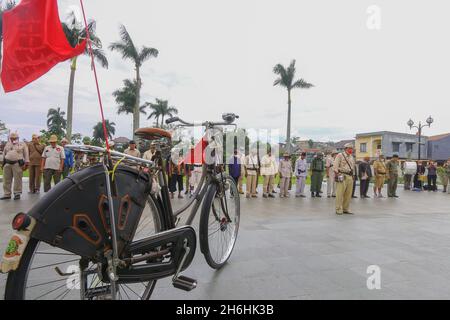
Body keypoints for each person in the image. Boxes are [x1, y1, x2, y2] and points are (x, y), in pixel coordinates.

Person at [1, 132, 29, 200]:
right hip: (7, 163)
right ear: (10, 138)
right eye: (12, 138)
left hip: (17, 164)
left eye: (14, 138)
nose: (13, 139)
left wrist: (26, 163)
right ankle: (7, 194)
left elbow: (26, 154)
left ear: (18, 138)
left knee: (17, 179)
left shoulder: (22, 144)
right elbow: (4, 154)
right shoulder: (7, 144)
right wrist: (2, 163)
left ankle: (17, 193)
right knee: (6, 179)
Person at [333, 143, 355, 215]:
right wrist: (336, 174)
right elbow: (335, 165)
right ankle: (338, 209)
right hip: (342, 174)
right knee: (340, 193)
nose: (351, 150)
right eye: (349, 148)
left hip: (349, 176)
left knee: (348, 194)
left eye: (351, 148)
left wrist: (353, 175)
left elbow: (352, 167)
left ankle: (346, 208)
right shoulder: (340, 155)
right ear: (345, 149)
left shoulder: (351, 157)